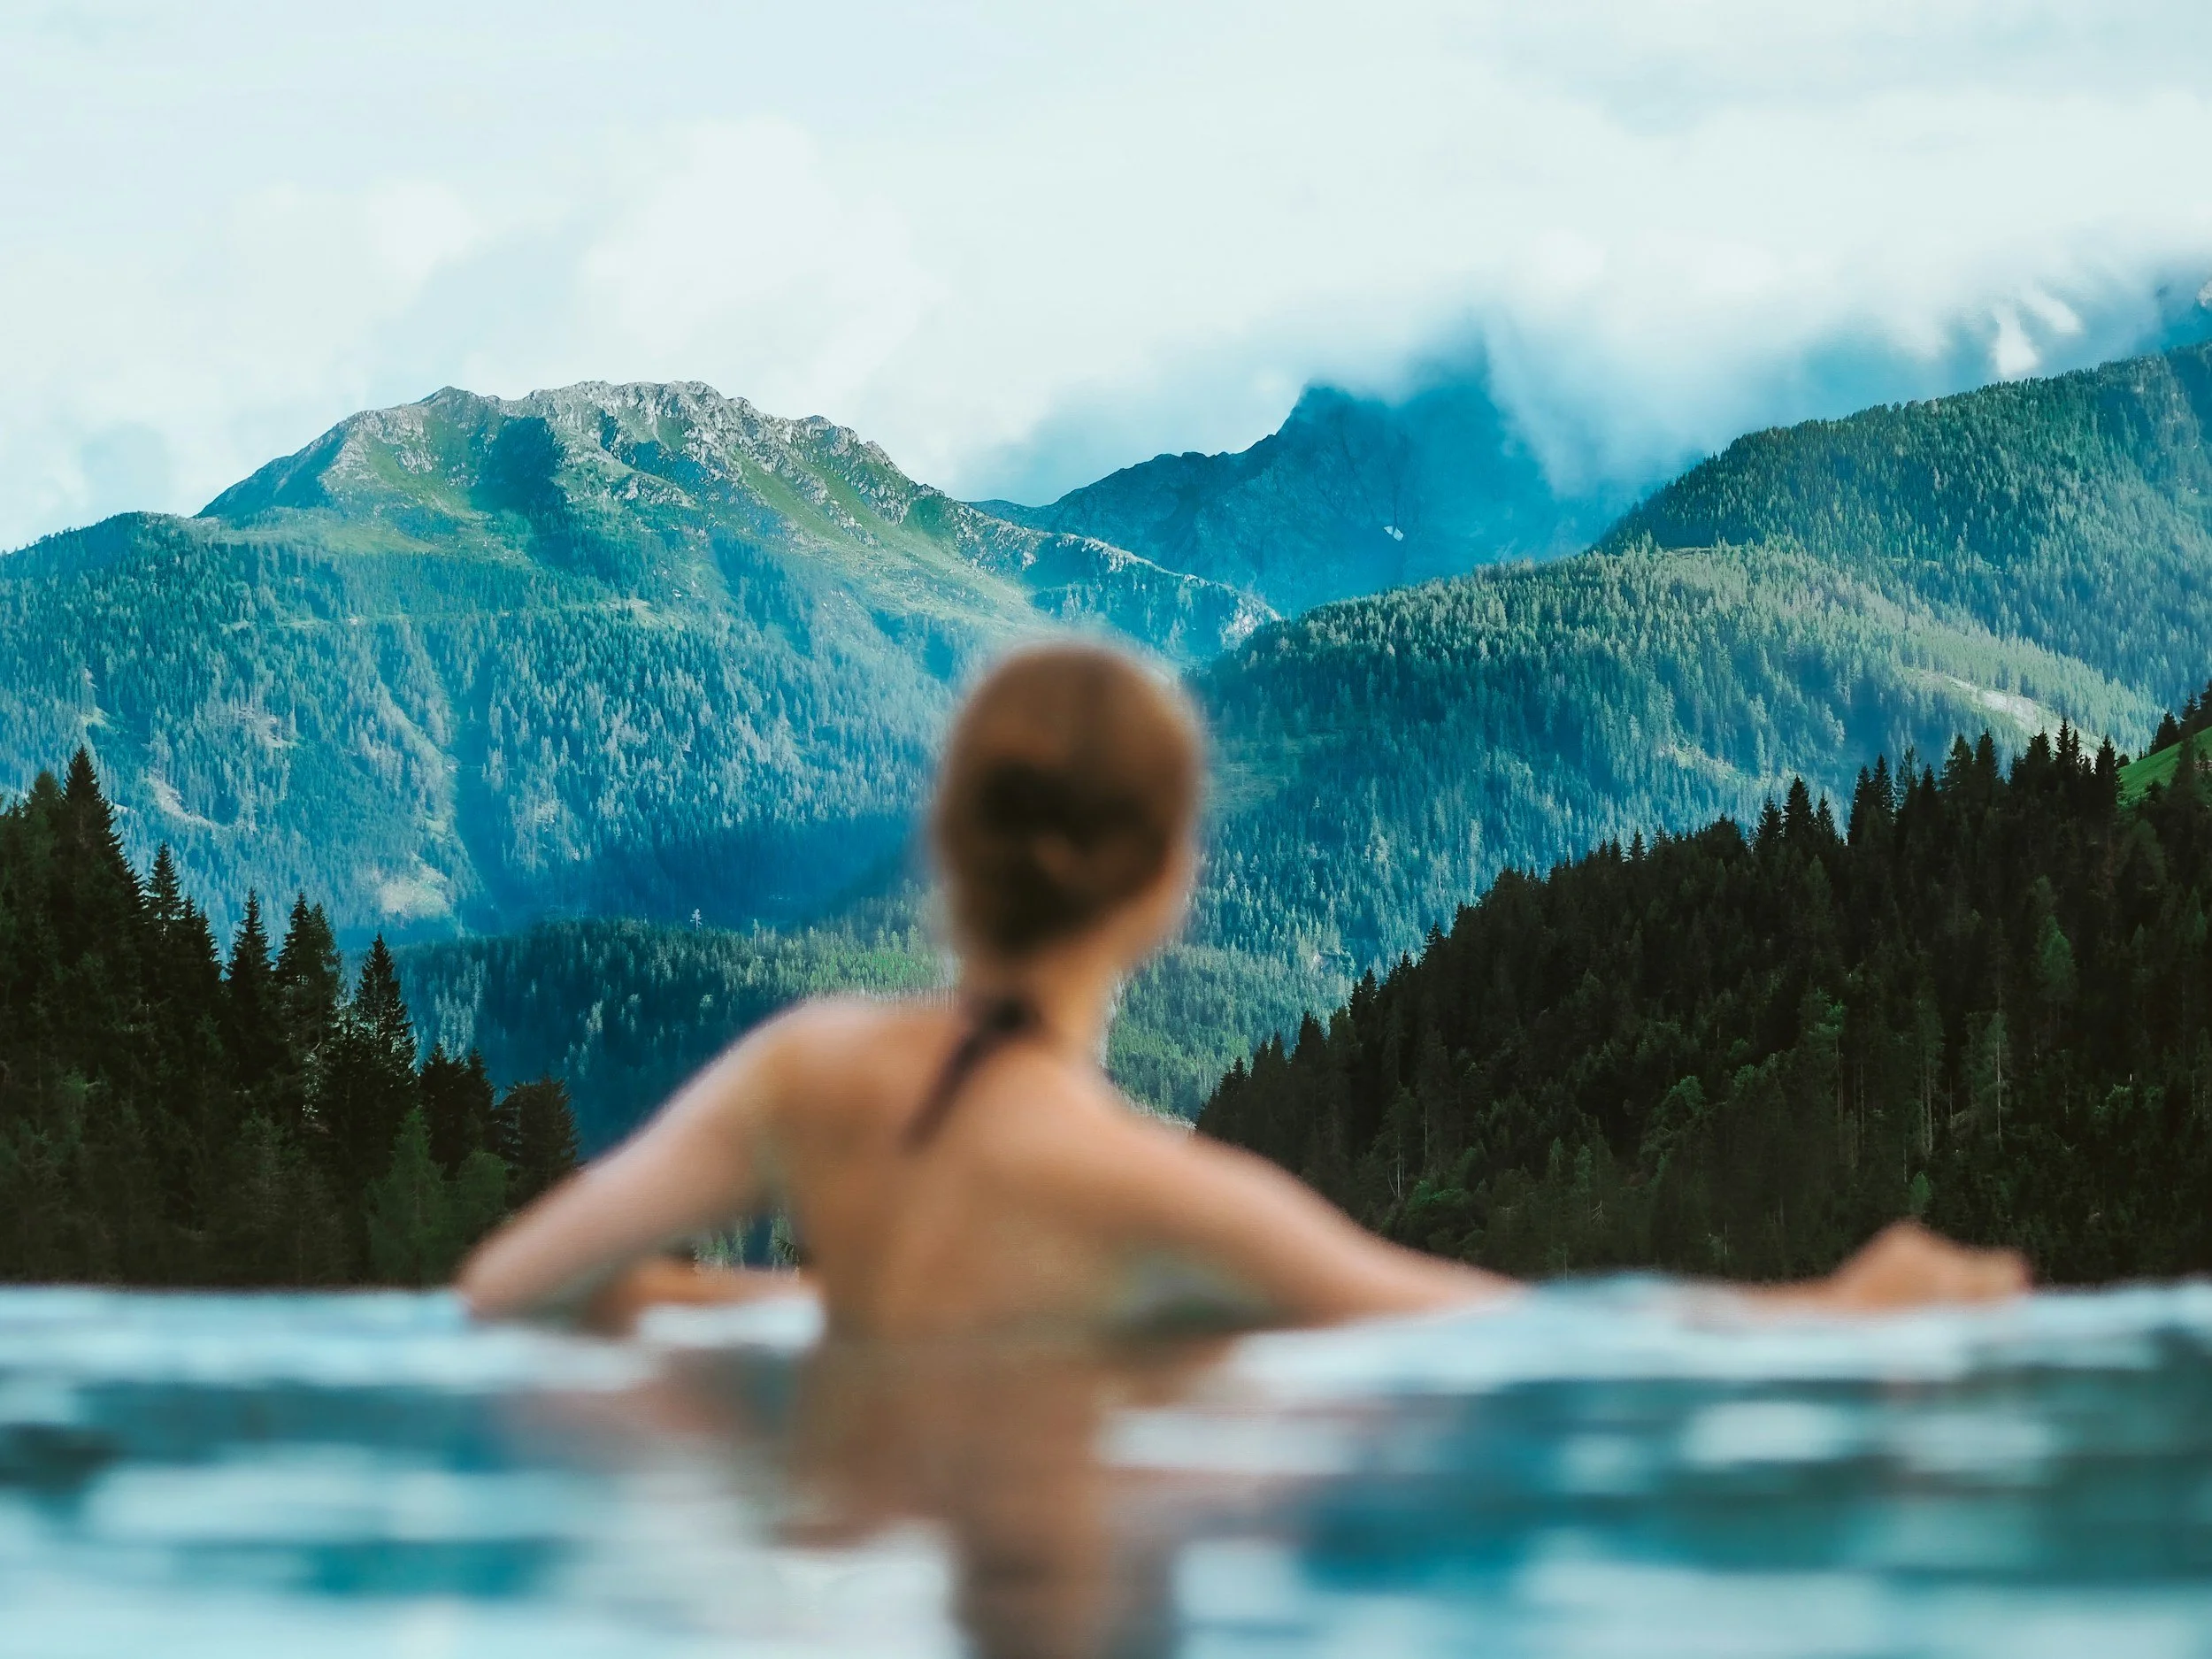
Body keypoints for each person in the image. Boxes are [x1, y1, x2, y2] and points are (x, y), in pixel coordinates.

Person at [457, 642, 2026, 1339]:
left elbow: (514, 1290)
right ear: (1164, 886)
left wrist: (807, 1304)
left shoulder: (802, 1071)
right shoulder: (1163, 1194)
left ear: (945, 844)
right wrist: (1838, 1314)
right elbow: (1516, 1338)